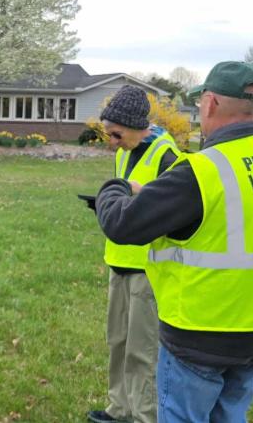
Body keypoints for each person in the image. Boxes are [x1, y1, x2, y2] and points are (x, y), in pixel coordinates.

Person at [95, 61, 253, 423]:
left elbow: (121, 224)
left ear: (210, 103)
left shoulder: (201, 171)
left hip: (200, 335)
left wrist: (115, 188)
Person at [87, 86, 181, 423]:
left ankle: (144, 416)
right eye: (107, 134)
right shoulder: (123, 152)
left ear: (136, 126)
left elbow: (172, 213)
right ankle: (118, 409)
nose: (111, 141)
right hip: (119, 260)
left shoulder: (168, 158)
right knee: (118, 342)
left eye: (116, 134)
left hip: (147, 267)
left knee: (142, 350)